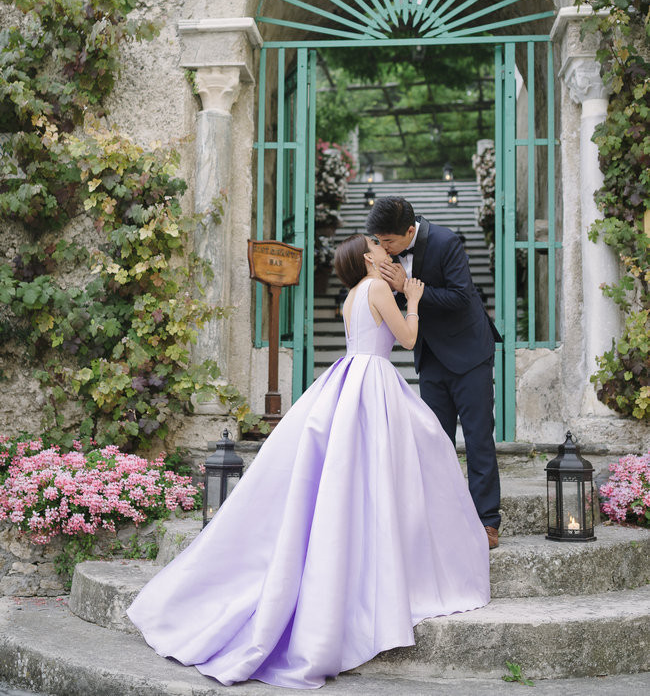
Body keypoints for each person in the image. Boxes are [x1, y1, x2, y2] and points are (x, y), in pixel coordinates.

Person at [127, 233, 490, 690]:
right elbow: (408, 337)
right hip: (375, 383)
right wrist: (413, 298)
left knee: (361, 474)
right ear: (366, 258)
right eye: (378, 248)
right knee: (404, 465)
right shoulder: (379, 288)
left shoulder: (350, 297)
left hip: (348, 376)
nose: (386, 252)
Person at [366, 196, 501, 550]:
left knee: (478, 439)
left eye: (389, 242)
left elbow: (460, 297)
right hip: (431, 356)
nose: (384, 249)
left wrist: (405, 287)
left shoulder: (446, 241)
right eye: (379, 241)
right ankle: (442, 519)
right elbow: (395, 305)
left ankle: (487, 522)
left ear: (409, 231)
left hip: (469, 353)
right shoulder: (389, 253)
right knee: (436, 442)